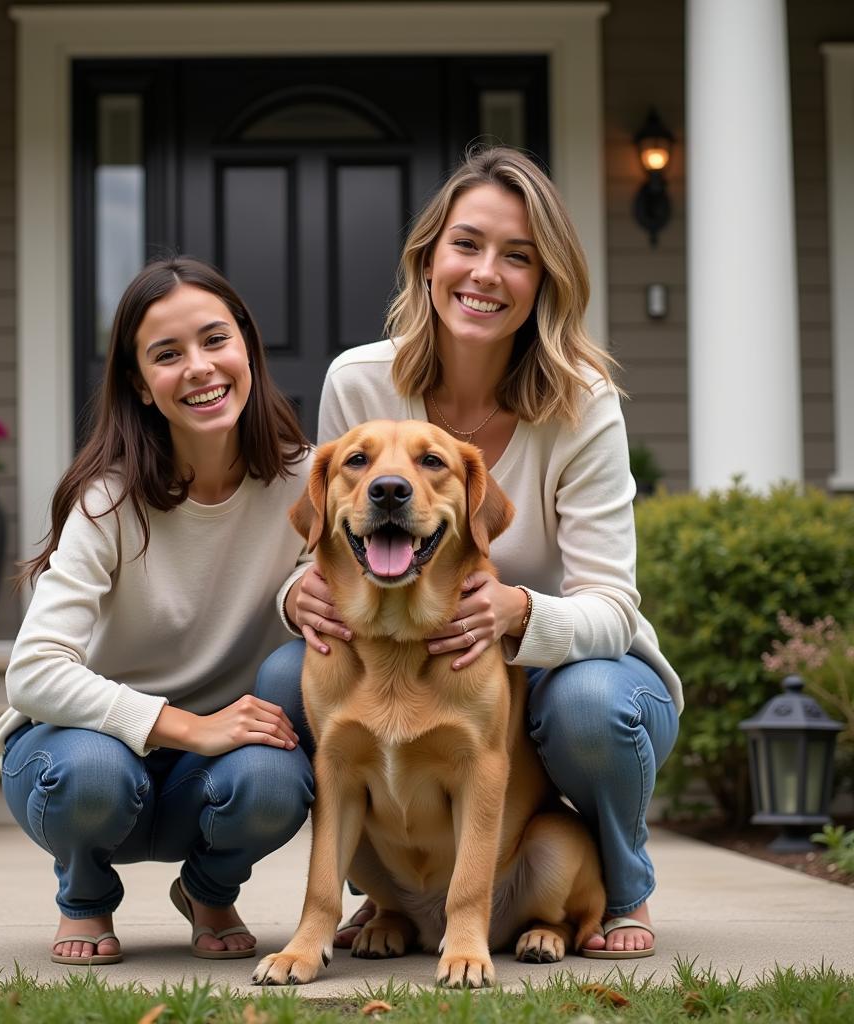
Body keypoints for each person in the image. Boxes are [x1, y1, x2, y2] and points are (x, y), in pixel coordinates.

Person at [282, 146, 682, 959]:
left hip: (559, 666)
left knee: (588, 708)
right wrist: (292, 594)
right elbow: (328, 530)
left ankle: (622, 890)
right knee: (281, 680)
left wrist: (518, 612)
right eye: (466, 244)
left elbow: (614, 602)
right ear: (429, 260)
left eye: (519, 256)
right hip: (393, 639)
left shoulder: (582, 403)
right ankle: (386, 898)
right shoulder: (359, 382)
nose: (486, 272)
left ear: (546, 281)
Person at [0, 257, 316, 966]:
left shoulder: (307, 479)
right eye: (167, 355)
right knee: (92, 776)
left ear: (248, 350)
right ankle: (84, 896)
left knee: (275, 777)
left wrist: (298, 594)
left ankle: (209, 888)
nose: (198, 368)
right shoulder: (107, 501)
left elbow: (316, 579)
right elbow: (33, 674)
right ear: (140, 385)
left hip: (215, 769)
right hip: (82, 752)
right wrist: (186, 727)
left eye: (214, 340)